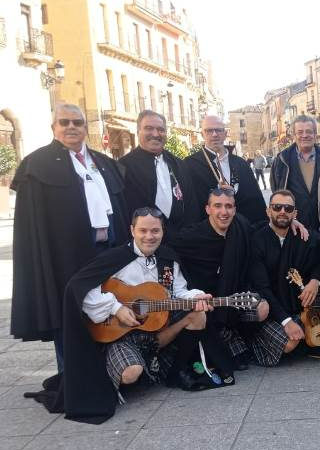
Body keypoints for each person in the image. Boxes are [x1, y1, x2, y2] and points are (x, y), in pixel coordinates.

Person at [28, 208, 233, 424]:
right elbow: (79, 289)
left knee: (198, 313)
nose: (149, 236)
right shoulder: (114, 259)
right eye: (143, 230)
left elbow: (179, 292)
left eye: (155, 230)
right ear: (132, 230)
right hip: (121, 335)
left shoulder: (168, 259)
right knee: (130, 374)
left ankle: (174, 370)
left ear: (163, 231)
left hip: (156, 328)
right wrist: (116, 308)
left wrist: (198, 296)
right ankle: (118, 367)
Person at [10, 104, 129, 371]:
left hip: (106, 250)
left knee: (108, 313)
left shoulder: (104, 163)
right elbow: (35, 224)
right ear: (54, 128)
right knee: (70, 316)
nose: (71, 127)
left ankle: (109, 371)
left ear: (86, 127)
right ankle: (72, 377)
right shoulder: (37, 165)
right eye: (64, 122)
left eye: (77, 122)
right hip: (65, 255)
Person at [169, 188, 268, 368]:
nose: (224, 212)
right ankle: (226, 344)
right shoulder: (192, 236)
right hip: (205, 303)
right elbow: (166, 246)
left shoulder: (241, 228)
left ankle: (242, 338)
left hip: (233, 299)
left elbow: (263, 229)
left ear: (235, 210)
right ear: (208, 209)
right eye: (218, 206)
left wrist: (294, 222)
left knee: (261, 308)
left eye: (229, 206)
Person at [248, 190, 320, 364]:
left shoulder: (304, 235)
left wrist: (315, 280)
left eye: (288, 208)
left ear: (295, 214)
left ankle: (314, 338)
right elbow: (262, 288)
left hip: (297, 302)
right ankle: (298, 340)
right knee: (291, 342)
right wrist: (286, 321)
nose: (282, 211)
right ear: (268, 211)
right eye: (277, 207)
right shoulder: (257, 240)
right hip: (272, 308)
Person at [118, 110, 198, 236]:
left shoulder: (179, 165)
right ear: (138, 131)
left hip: (182, 243)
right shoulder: (123, 167)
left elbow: (191, 205)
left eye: (161, 129)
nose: (155, 134)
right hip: (144, 243)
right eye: (149, 128)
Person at [183, 115, 267, 224]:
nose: (214, 134)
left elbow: (255, 200)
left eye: (218, 130)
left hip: (243, 230)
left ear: (225, 133)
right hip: (209, 234)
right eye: (209, 131)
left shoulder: (241, 163)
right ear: (202, 134)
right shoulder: (190, 164)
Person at [270, 116, 320, 231]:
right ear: (294, 136)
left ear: (315, 135)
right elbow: (276, 191)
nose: (304, 135)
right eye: (300, 132)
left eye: (309, 132)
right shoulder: (281, 161)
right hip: (293, 227)